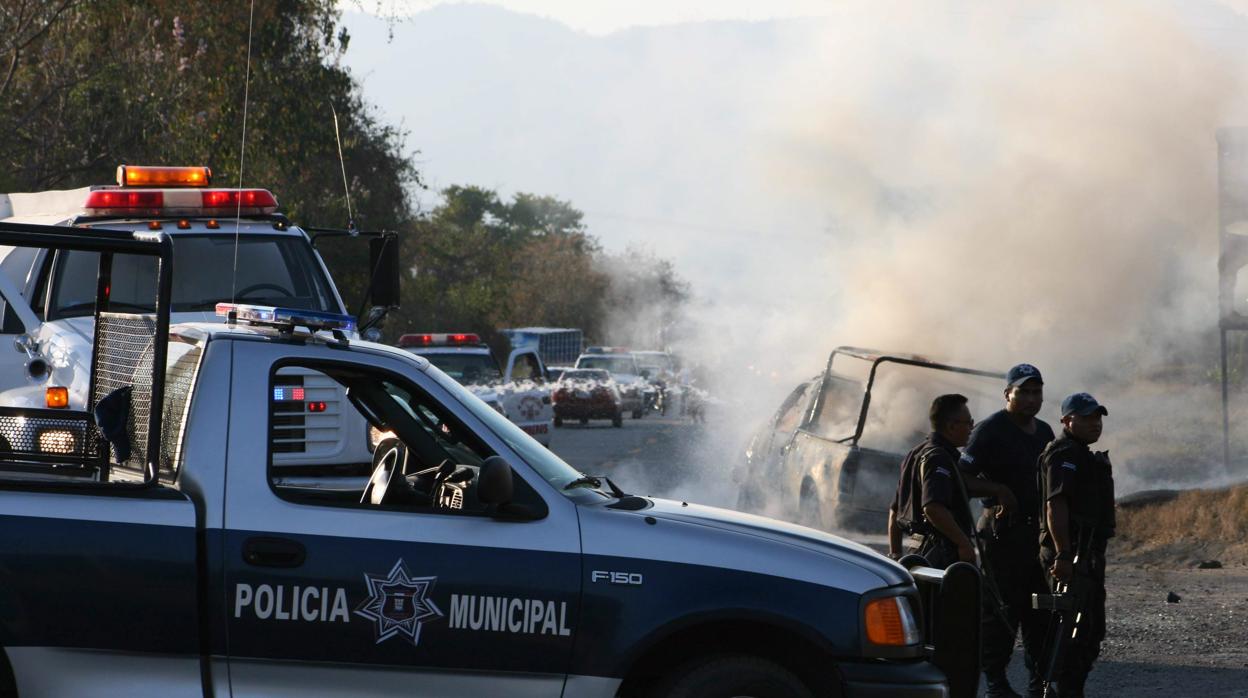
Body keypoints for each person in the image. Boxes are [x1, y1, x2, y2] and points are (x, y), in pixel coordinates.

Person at [959, 363, 1055, 698]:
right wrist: (997, 490)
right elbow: (961, 478)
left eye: (1036, 391)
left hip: (1038, 535)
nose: (1031, 398)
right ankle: (996, 683)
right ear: (1008, 394)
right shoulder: (990, 430)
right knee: (1002, 612)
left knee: (1040, 612)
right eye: (1023, 392)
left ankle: (1039, 682)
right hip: (1002, 534)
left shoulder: (1044, 432)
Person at [1037, 393, 1115, 698]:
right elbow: (1055, 505)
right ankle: (1056, 690)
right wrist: (1063, 554)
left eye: (1097, 417)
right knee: (1070, 633)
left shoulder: (1081, 453)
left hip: (1088, 554)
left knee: (1090, 632)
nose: (1095, 424)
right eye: (1086, 418)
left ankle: (1071, 690)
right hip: (1071, 553)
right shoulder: (1064, 454)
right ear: (1067, 420)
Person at [887, 394, 977, 568]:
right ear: (951, 426)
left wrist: (896, 556)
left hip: (917, 551)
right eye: (968, 423)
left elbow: (895, 511)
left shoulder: (915, 453)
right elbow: (933, 508)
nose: (971, 429)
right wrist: (963, 544)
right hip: (940, 555)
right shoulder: (939, 458)